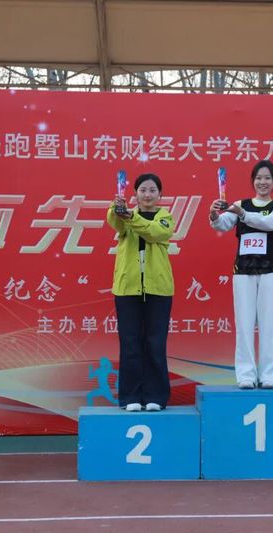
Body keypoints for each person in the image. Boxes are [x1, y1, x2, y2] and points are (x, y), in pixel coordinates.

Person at [209, 160, 273, 389]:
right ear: (253, 181)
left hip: (270, 270)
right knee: (244, 324)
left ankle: (269, 375)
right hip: (243, 271)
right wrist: (214, 215)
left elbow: (268, 223)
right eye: (258, 178)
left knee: (269, 324)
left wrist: (243, 214)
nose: (262, 182)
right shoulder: (240, 204)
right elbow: (222, 225)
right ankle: (246, 374)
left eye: (267, 178)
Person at [108, 173, 174, 412]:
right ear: (135, 193)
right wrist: (116, 209)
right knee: (130, 344)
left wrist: (131, 217)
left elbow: (155, 233)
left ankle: (156, 395)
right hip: (128, 288)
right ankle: (130, 397)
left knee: (155, 343)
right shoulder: (124, 216)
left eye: (152, 190)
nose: (147, 195)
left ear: (160, 194)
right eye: (143, 190)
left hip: (159, 289)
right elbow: (115, 222)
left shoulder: (165, 217)